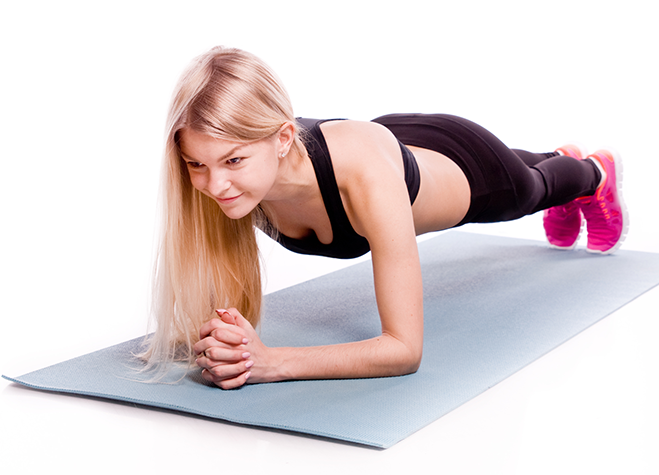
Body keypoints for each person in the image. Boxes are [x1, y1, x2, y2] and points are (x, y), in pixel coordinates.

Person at [142, 46, 628, 389]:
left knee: (528, 189)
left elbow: (404, 349)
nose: (214, 184)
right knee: (527, 168)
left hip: (459, 162)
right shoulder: (226, 182)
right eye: (196, 164)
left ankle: (591, 174)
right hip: (388, 141)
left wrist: (271, 363)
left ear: (283, 139)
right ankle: (556, 157)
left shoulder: (364, 178)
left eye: (232, 161)